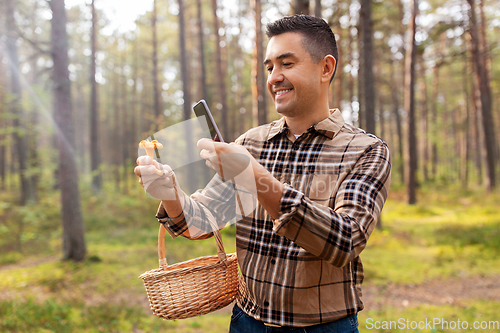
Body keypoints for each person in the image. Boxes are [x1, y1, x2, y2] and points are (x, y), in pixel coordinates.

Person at [135, 14, 391, 333]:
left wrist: (255, 178)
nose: (273, 77)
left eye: (286, 63)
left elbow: (346, 242)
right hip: (247, 322)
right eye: (270, 66)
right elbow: (202, 222)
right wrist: (170, 192)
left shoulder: (365, 150)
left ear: (326, 68)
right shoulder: (251, 143)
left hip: (323, 326)